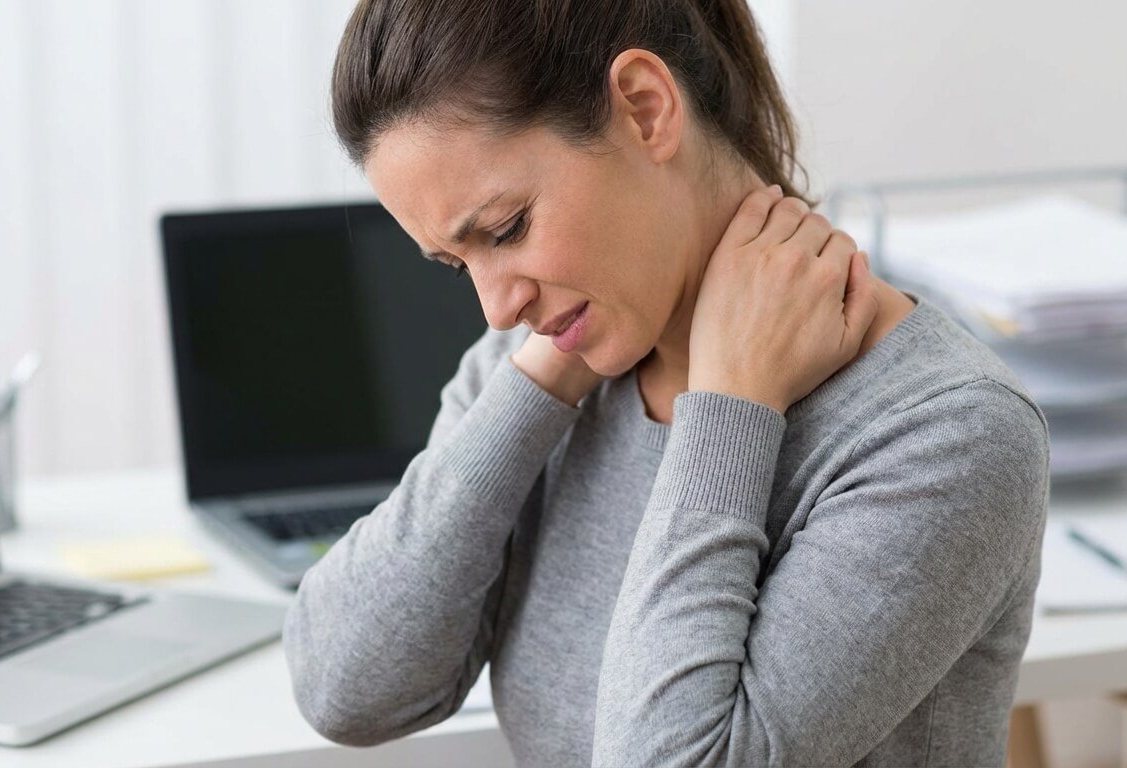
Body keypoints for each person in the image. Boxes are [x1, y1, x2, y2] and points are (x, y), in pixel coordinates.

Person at [282, 1, 1051, 765]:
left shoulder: (946, 433)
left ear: (646, 110)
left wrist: (728, 412)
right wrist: (542, 383)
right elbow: (344, 686)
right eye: (457, 262)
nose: (497, 304)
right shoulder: (543, 361)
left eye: (509, 228)